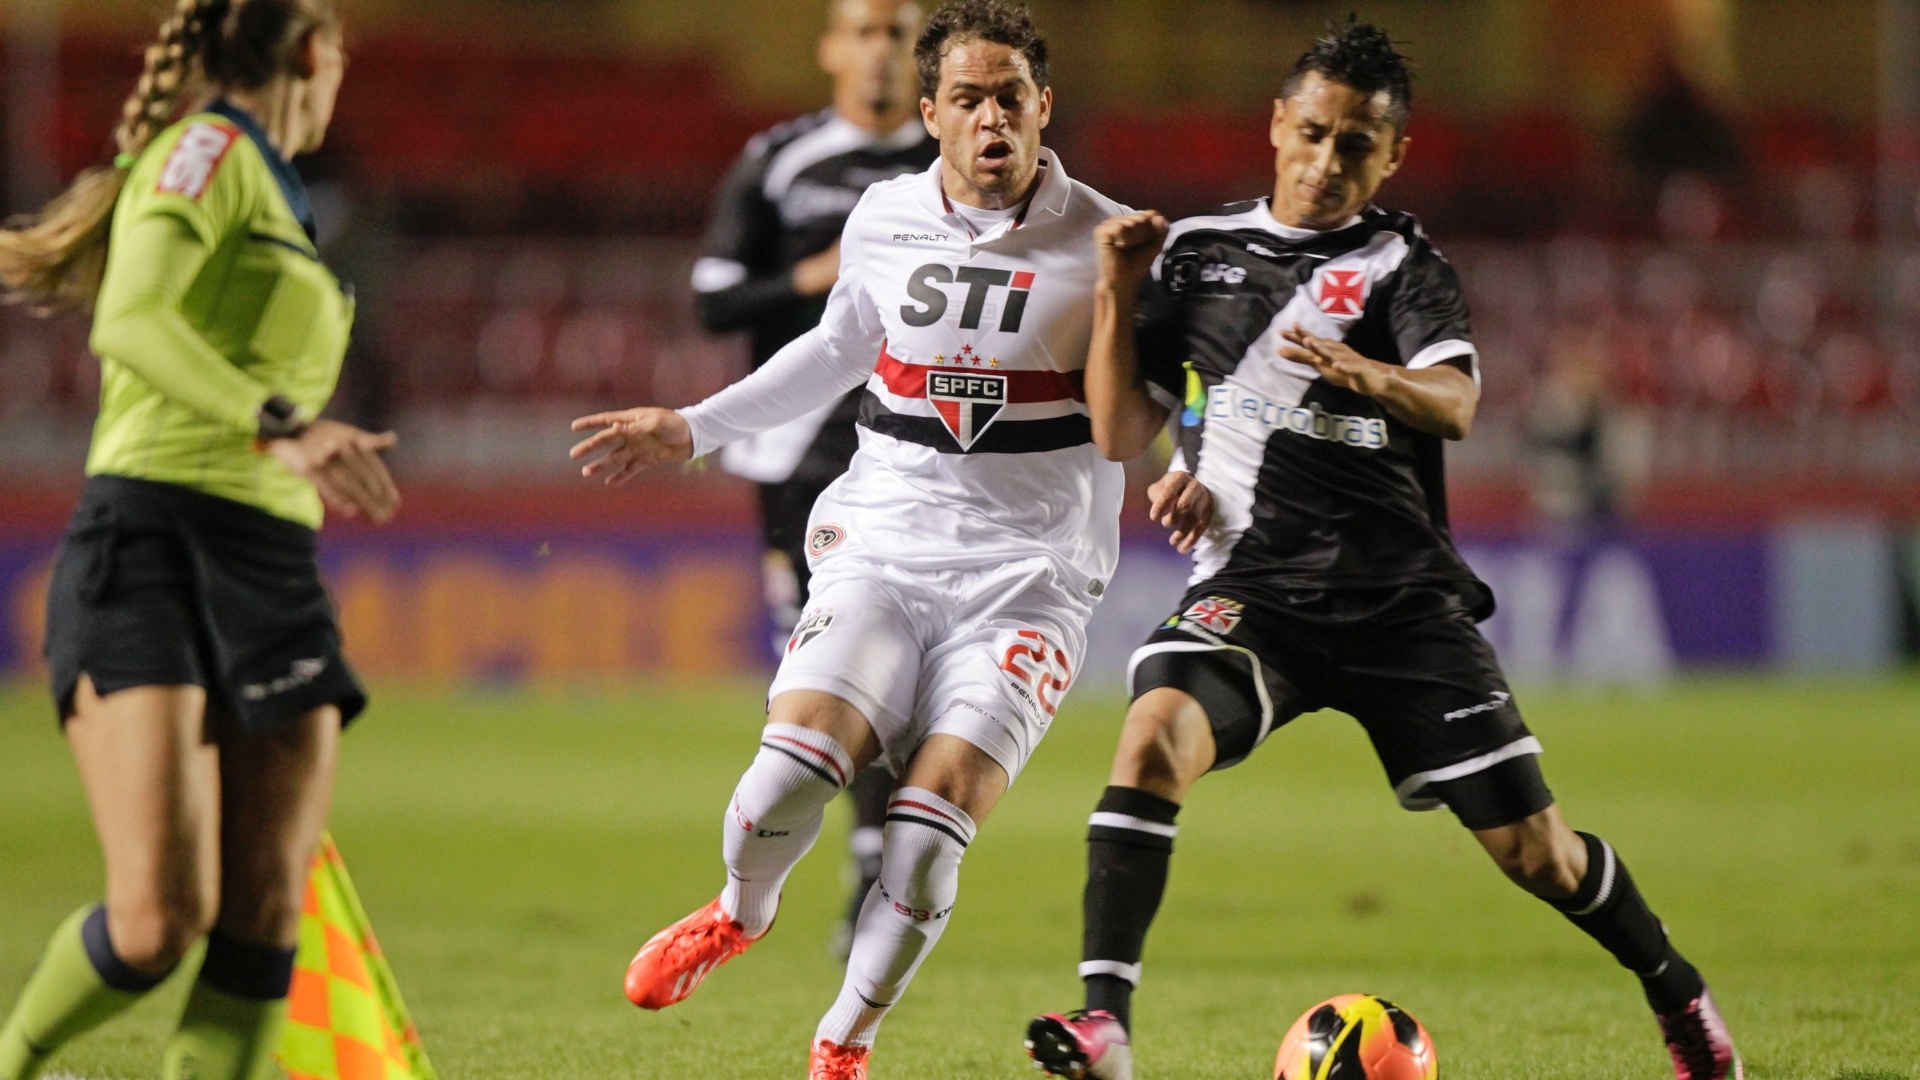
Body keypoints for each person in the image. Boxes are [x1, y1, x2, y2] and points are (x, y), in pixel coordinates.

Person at [1022, 22, 1743, 1080]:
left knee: (1537, 854)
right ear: (1277, 124)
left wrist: (1372, 379)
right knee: (1152, 739)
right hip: (1254, 591)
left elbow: (1456, 404)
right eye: (1311, 133)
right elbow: (1128, 431)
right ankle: (1104, 1024)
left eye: (1356, 145)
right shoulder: (1196, 255)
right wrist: (1128, 302)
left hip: (1400, 607)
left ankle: (1676, 992)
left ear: (1391, 155)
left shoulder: (1405, 268)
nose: (1326, 162)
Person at [571, 4, 1200, 1076]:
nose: (992, 116)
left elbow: (1147, 403)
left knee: (925, 825)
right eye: (968, 98)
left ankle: (842, 1042)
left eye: (1011, 96)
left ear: (1045, 108)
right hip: (885, 548)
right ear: (932, 115)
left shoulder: (1113, 241)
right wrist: (692, 427)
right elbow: (831, 352)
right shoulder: (882, 216)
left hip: (1031, 585)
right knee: (785, 779)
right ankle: (737, 912)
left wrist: (1182, 468)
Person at [0, 3, 399, 1078]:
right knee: (155, 920)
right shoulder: (208, 149)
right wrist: (286, 424)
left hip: (271, 563)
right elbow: (128, 316)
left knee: (265, 911)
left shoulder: (273, 184)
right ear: (313, 54)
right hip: (151, 537)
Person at [692, 0, 939, 959]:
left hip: (920, 446)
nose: (883, 52)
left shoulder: (959, 157)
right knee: (820, 663)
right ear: (833, 48)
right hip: (799, 449)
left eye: (902, 34)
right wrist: (821, 278)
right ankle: (852, 852)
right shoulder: (780, 161)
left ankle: (877, 864)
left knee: (902, 662)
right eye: (867, 31)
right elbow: (711, 301)